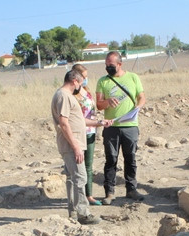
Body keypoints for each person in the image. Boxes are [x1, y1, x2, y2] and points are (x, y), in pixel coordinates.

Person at [50, 69, 112, 225]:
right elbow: (64, 123)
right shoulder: (64, 96)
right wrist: (76, 147)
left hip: (73, 143)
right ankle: (83, 214)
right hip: (72, 144)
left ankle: (73, 211)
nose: (82, 84)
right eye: (81, 81)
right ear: (74, 81)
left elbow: (78, 120)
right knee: (80, 177)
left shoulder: (66, 96)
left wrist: (99, 122)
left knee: (72, 177)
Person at [96, 51, 146, 205]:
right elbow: (98, 105)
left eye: (110, 65)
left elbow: (141, 96)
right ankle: (109, 192)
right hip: (111, 127)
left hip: (130, 125)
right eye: (106, 65)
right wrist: (107, 102)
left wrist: (138, 107)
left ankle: (131, 189)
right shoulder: (103, 81)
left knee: (130, 157)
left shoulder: (133, 77)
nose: (107, 67)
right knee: (111, 159)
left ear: (119, 64)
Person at [71, 64, 101, 206]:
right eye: (84, 76)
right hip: (79, 133)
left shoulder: (87, 91)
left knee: (88, 165)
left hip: (90, 132)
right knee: (78, 167)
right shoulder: (72, 94)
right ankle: (78, 198)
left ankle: (89, 195)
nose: (86, 79)